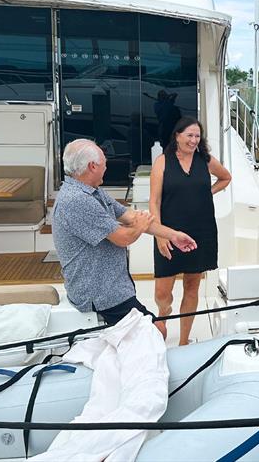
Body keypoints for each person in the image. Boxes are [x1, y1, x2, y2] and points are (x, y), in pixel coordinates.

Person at [53, 139, 197, 329]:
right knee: (157, 331)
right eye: (104, 162)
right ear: (92, 166)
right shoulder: (77, 200)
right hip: (100, 296)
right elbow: (123, 237)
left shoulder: (92, 192)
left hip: (114, 289)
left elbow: (130, 216)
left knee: (155, 329)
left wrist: (173, 235)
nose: (106, 166)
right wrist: (141, 225)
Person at [150, 117, 232, 345]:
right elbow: (154, 202)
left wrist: (208, 193)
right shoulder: (162, 162)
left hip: (200, 229)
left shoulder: (205, 160)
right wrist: (159, 234)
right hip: (168, 232)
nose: (194, 140)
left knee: (192, 286)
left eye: (197, 136)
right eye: (189, 135)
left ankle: (184, 341)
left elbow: (226, 177)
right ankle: (163, 316)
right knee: (162, 294)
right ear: (177, 136)